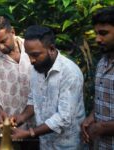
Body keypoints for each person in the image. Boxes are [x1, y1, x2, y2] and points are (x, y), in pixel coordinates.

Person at [11, 25, 85, 150]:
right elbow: (33, 99)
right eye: (28, 55)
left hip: (67, 145)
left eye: (35, 55)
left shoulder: (70, 73)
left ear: (51, 48)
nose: (31, 60)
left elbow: (64, 118)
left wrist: (30, 133)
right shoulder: (36, 69)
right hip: (45, 144)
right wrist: (21, 117)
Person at [0, 16, 38, 150]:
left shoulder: (34, 50)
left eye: (4, 41)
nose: (1, 47)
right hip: (5, 131)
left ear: (12, 32)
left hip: (36, 128)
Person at [81, 6, 114, 150]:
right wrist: (92, 117)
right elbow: (104, 100)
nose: (97, 39)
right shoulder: (102, 62)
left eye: (104, 33)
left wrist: (103, 128)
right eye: (96, 33)